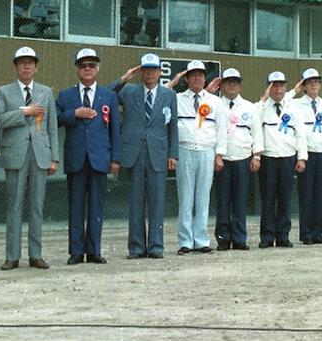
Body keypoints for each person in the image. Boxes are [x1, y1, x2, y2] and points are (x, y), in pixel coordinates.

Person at [0, 47, 59, 271]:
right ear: (15, 67)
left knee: (37, 206)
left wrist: (54, 158)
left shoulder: (45, 92)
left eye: (30, 62)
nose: (26, 66)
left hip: (40, 155)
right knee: (14, 206)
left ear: (36, 66)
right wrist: (24, 112)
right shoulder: (4, 91)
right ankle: (12, 256)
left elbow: (52, 127)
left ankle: (36, 254)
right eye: (22, 63)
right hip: (15, 154)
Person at [109, 53, 178, 259]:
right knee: (136, 203)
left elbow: (173, 126)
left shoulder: (168, 95)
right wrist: (123, 79)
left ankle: (156, 246)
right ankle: (136, 247)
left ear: (159, 72)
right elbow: (105, 93)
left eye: (153, 70)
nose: (149, 73)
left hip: (158, 154)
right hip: (134, 154)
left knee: (157, 202)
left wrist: (173, 154)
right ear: (140, 72)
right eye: (145, 69)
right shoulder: (129, 91)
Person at [55, 48, 120, 265]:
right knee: (75, 206)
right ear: (77, 69)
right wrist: (74, 114)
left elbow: (115, 130)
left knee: (96, 206)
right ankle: (76, 251)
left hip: (100, 158)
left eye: (91, 65)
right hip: (76, 158)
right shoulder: (66, 95)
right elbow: (55, 118)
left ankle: (94, 250)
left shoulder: (109, 96)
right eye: (83, 65)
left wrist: (115, 159)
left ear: (97, 69)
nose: (87, 69)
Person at [172, 60, 226, 255]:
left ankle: (201, 240)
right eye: (193, 75)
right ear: (186, 78)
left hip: (206, 152)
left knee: (203, 198)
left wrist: (219, 155)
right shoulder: (177, 99)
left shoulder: (215, 102)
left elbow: (221, 130)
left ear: (205, 78)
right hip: (184, 151)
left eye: (201, 75)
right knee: (185, 198)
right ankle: (185, 241)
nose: (197, 78)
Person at [209, 68, 262, 251]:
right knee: (223, 200)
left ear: (240, 85)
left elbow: (257, 133)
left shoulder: (249, 107)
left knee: (240, 200)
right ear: (222, 85)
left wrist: (256, 156)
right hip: (221, 160)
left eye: (235, 82)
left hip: (242, 158)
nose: (231, 85)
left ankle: (239, 238)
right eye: (228, 81)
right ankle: (223, 238)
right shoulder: (215, 104)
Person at [258, 71, 307, 248]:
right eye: (274, 85)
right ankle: (267, 236)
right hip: (268, 159)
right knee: (268, 199)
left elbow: (301, 134)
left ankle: (283, 235)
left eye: (281, 86)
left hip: (288, 158)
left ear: (285, 88)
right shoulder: (261, 107)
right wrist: (263, 100)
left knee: (285, 198)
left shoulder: (292, 108)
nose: (278, 89)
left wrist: (302, 158)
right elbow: (255, 123)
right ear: (268, 87)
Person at [289, 68, 322, 245]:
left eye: (317, 81)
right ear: (304, 85)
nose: (314, 85)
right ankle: (306, 233)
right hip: (306, 154)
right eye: (310, 82)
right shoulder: (295, 105)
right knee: (306, 194)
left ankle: (318, 232)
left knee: (320, 195)